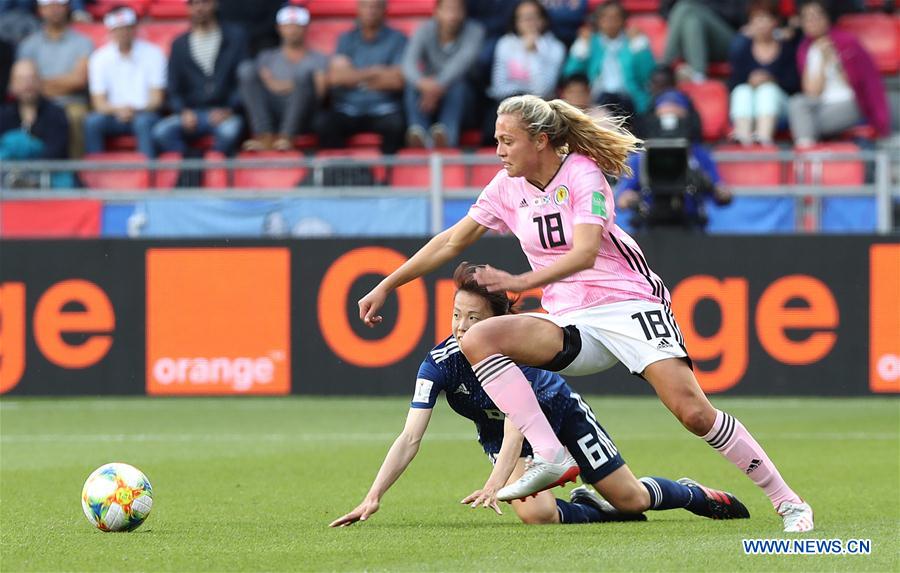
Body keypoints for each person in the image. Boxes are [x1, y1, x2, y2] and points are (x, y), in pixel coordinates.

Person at [357, 94, 814, 533]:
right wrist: (387, 283)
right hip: (568, 319)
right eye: (496, 140)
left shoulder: (582, 173)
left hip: (627, 303)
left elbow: (586, 253)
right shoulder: (505, 187)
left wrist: (519, 283)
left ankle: (787, 500)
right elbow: (452, 241)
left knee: (694, 414)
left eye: (506, 140)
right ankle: (551, 454)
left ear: (539, 140)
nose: (498, 151)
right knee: (478, 338)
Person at [332, 263, 750, 527]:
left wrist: (494, 482)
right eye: (456, 315)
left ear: (498, 322)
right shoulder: (438, 365)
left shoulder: (517, 348)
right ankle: (598, 509)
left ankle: (691, 493)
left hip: (561, 416)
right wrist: (372, 498)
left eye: (474, 318)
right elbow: (410, 437)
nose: (461, 327)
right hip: (506, 440)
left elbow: (519, 419)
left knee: (633, 498)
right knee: (537, 515)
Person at [618, 90, 732, 231]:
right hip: (650, 227)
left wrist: (712, 186)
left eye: (677, 118)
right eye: (663, 117)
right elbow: (622, 200)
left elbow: (721, 195)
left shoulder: (699, 155)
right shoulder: (640, 157)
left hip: (690, 227)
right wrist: (631, 198)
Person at [152, 0, 248, 157]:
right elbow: (173, 88)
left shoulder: (236, 37)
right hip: (193, 114)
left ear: (215, 4)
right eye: (194, 4)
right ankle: (192, 165)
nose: (199, 8)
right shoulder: (179, 44)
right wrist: (183, 112)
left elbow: (243, 81)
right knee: (161, 132)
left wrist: (229, 109)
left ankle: (213, 168)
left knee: (230, 131)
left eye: (204, 2)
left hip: (225, 113)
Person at [787, 0, 889, 147]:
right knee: (797, 103)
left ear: (827, 18)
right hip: (821, 104)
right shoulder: (804, 49)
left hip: (850, 101)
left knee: (805, 124)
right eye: (807, 18)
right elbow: (812, 92)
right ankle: (807, 150)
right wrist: (822, 60)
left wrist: (834, 62)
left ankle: (805, 154)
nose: (812, 22)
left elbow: (859, 83)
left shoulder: (847, 42)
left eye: (817, 16)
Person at [315, 0, 407, 155]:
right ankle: (341, 174)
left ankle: (387, 177)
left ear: (384, 10)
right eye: (366, 6)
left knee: (397, 126)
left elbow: (397, 81)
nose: (370, 11)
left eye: (375, 6)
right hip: (348, 108)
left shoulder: (398, 39)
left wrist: (354, 76)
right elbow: (336, 78)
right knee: (324, 125)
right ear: (358, 9)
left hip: (385, 109)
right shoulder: (346, 39)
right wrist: (375, 72)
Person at [238, 5, 328, 152]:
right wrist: (293, 86)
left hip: (303, 115)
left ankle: (287, 136)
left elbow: (319, 92)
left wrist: (277, 85)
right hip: (273, 110)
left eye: (297, 26)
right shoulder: (266, 57)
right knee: (246, 69)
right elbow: (255, 87)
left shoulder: (318, 58)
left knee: (303, 75)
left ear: (305, 28)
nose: (292, 30)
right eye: (288, 26)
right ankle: (264, 135)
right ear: (279, 28)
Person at [84, 7, 166, 158]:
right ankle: (95, 175)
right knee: (92, 123)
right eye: (118, 29)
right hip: (113, 115)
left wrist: (135, 110)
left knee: (143, 123)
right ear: (110, 31)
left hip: (144, 113)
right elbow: (98, 103)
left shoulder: (154, 54)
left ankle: (149, 174)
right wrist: (119, 110)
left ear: (135, 28)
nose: (123, 33)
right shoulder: (99, 58)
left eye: (127, 28)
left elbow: (157, 99)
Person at [401, 0, 483, 149]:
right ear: (436, 12)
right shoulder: (424, 29)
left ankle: (447, 136)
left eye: (457, 9)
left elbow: (461, 64)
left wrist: (437, 85)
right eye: (448, 9)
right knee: (412, 85)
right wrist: (422, 84)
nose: (452, 15)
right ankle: (418, 132)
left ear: (464, 12)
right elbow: (408, 64)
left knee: (458, 85)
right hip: (428, 98)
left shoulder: (475, 31)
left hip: (464, 102)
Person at [16, 0, 93, 157]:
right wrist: (65, 82)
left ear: (67, 8)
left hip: (71, 103)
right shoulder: (29, 44)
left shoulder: (83, 42)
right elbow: (22, 81)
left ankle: (74, 173)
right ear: (40, 10)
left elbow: (79, 80)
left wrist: (38, 82)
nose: (54, 10)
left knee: (75, 117)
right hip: (37, 103)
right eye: (49, 6)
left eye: (59, 5)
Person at [484, 0, 564, 144]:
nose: (529, 22)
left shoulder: (555, 48)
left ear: (543, 20)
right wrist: (519, 94)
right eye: (523, 18)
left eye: (533, 17)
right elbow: (498, 86)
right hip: (508, 100)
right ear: (516, 22)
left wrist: (532, 53)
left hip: (539, 103)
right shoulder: (505, 44)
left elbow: (544, 90)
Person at [562, 1, 655, 116]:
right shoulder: (589, 41)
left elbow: (646, 75)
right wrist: (583, 47)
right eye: (605, 17)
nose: (611, 21)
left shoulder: (633, 40)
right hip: (597, 98)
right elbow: (572, 75)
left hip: (628, 99)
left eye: (616, 17)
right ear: (598, 20)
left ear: (624, 20)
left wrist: (639, 47)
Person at [728, 0, 799, 146]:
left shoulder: (786, 48)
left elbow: (795, 85)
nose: (761, 24)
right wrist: (750, 80)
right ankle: (743, 137)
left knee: (767, 91)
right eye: (756, 19)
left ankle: (763, 139)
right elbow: (732, 83)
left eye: (765, 18)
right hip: (751, 105)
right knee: (742, 91)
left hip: (782, 109)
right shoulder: (742, 49)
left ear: (775, 22)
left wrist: (771, 79)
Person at [0, 59, 70, 187]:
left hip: (49, 180)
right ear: (12, 85)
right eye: (21, 79)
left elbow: (55, 152)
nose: (27, 84)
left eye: (31, 78)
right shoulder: (3, 116)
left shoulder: (56, 114)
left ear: (40, 81)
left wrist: (27, 172)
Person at [661, 0, 748, 82]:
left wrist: (703, 10)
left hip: (728, 39)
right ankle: (698, 75)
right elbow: (666, 10)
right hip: (694, 39)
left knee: (687, 7)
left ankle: (664, 66)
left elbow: (737, 15)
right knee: (692, 19)